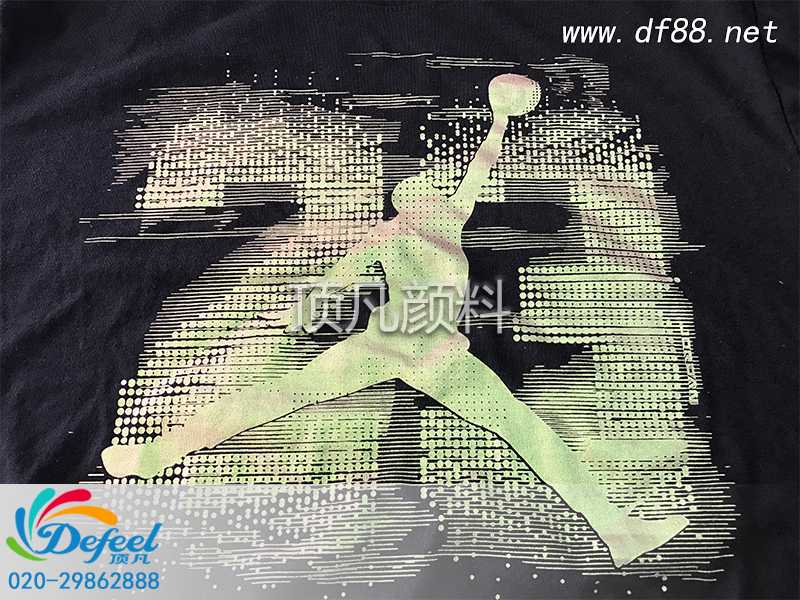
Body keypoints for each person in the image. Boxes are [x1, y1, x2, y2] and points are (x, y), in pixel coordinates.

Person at [102, 74, 688, 567]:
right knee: (275, 398)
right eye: (422, 188)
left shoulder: (447, 222)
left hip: (436, 352)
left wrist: (500, 119)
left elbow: (479, 168)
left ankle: (617, 529)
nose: (434, 190)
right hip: (389, 342)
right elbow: (341, 278)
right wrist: (306, 309)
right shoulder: (397, 232)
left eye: (434, 187)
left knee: (527, 432)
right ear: (407, 201)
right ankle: (152, 456)